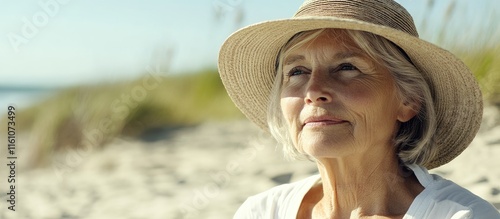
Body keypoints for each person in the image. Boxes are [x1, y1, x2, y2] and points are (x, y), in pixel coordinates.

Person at [218, 0, 500, 218]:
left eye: (347, 67)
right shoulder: (263, 212)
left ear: (408, 101)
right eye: (297, 72)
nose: (314, 91)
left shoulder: (460, 215)